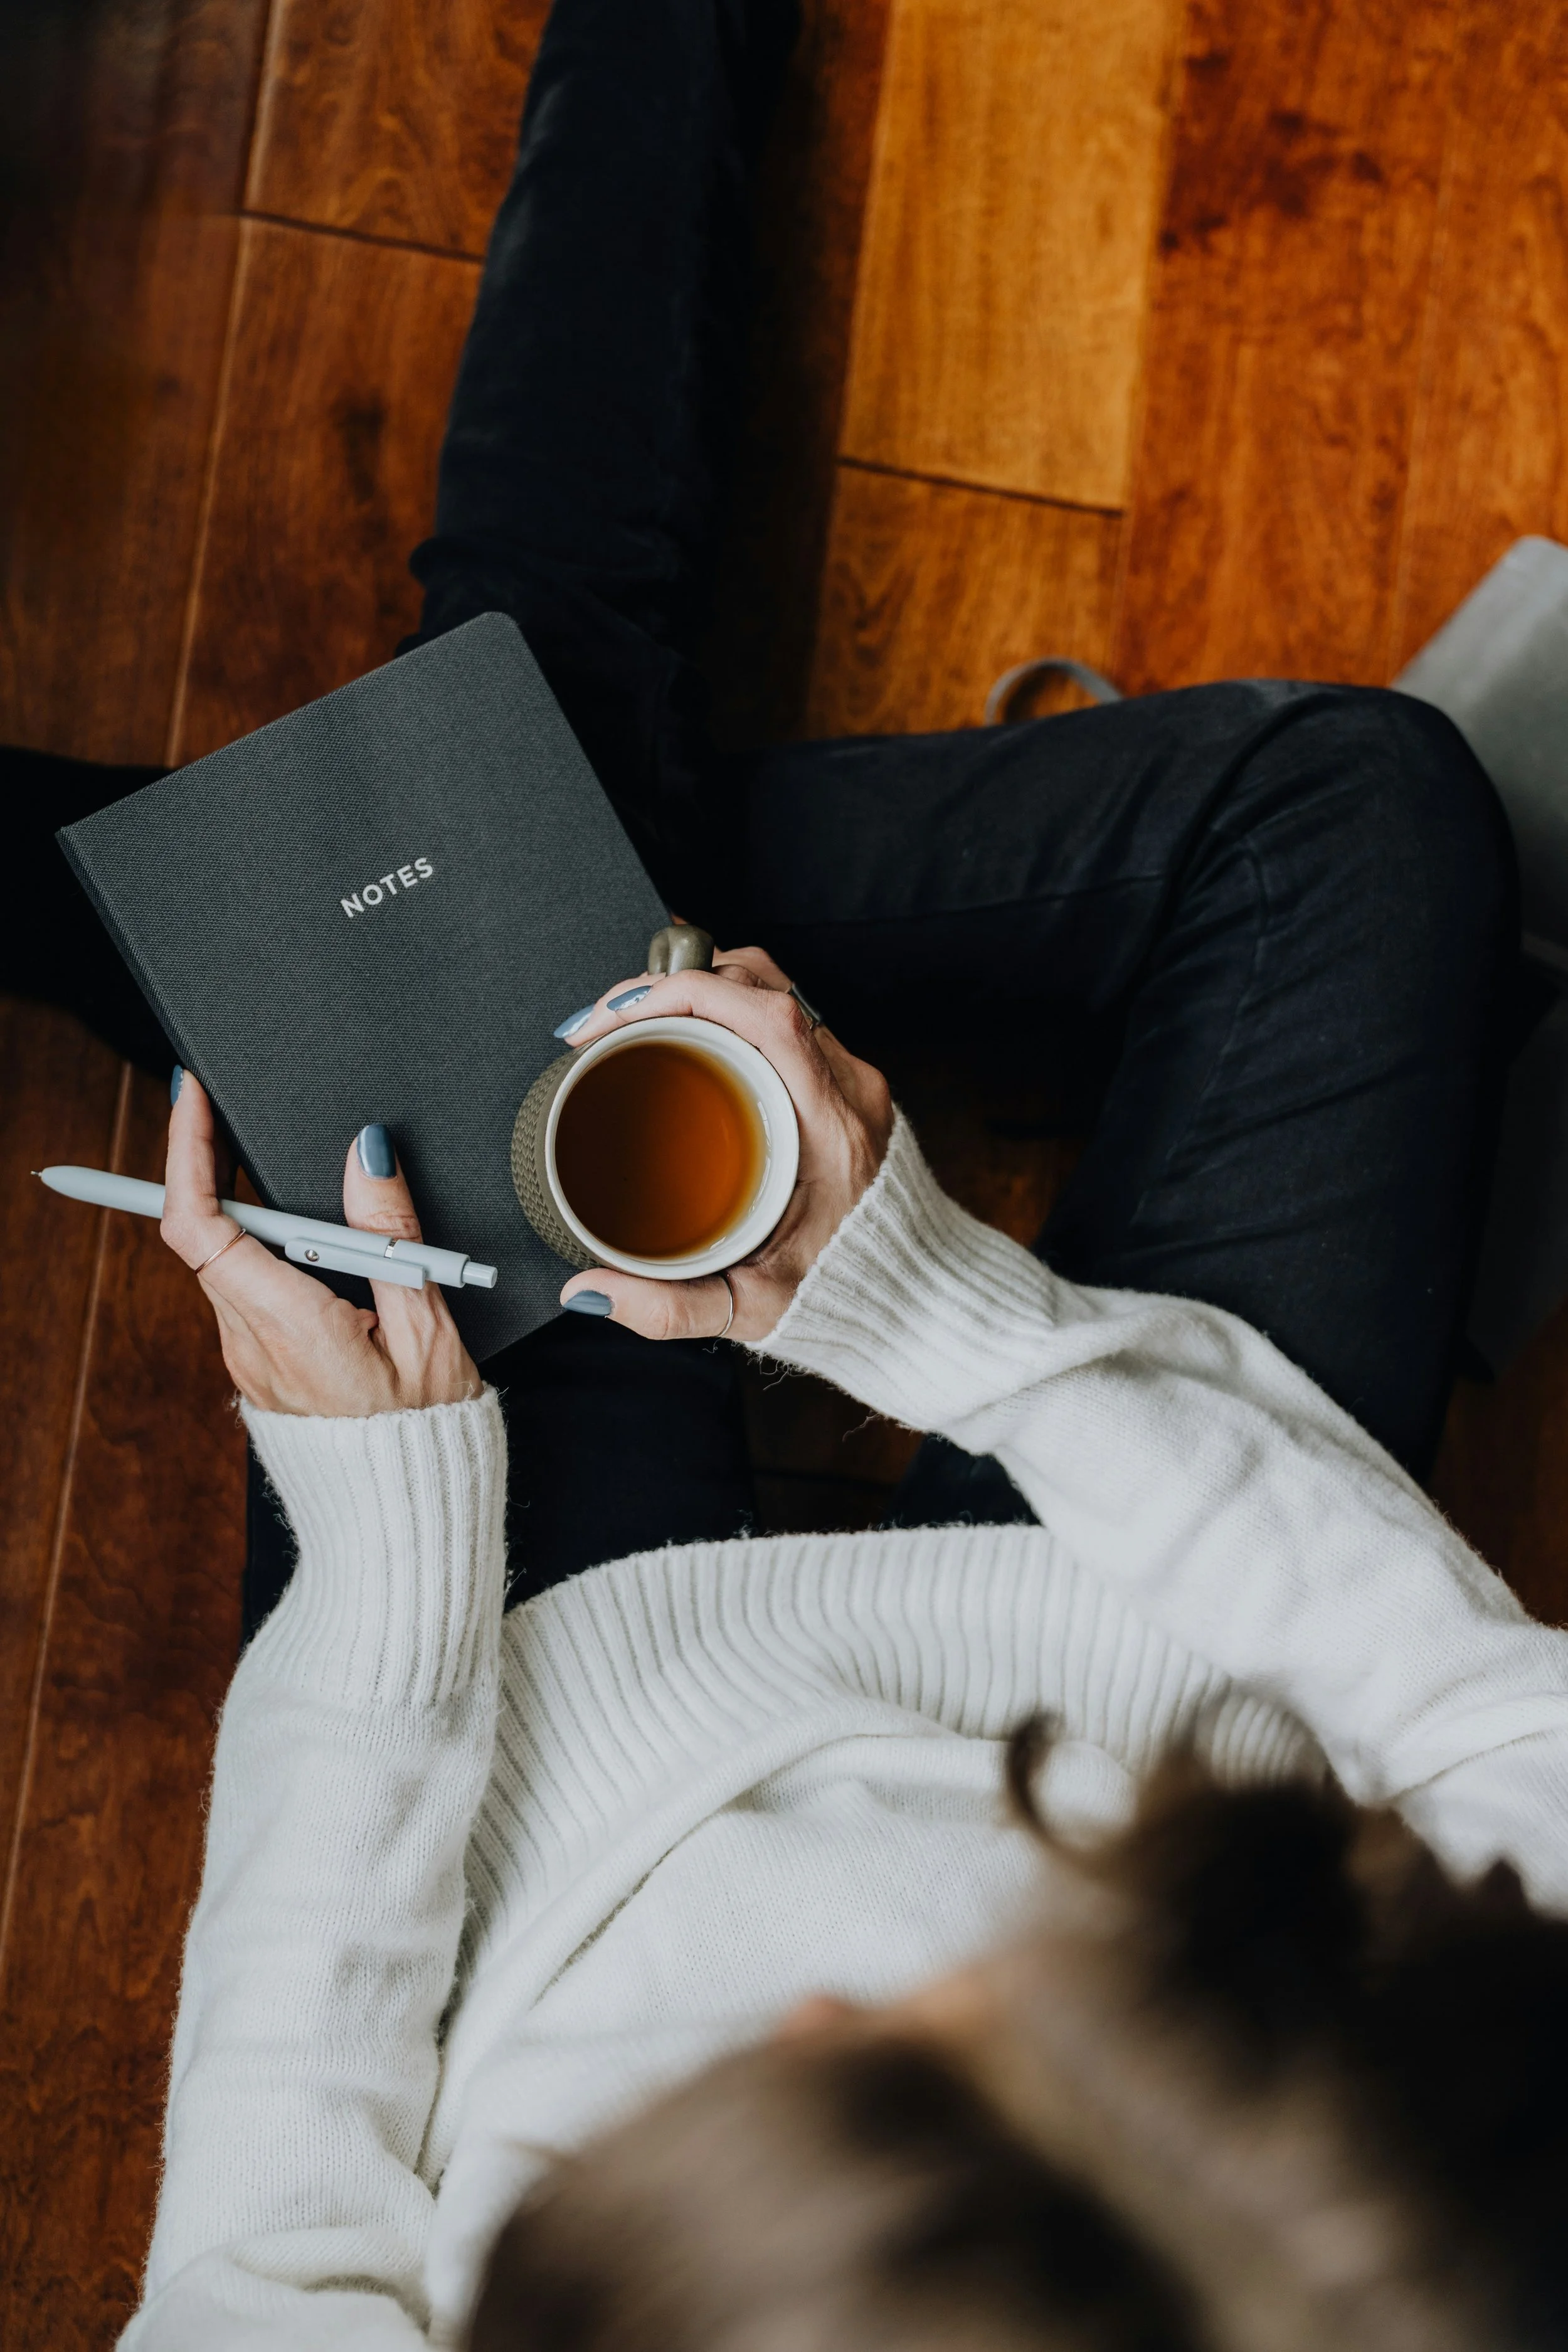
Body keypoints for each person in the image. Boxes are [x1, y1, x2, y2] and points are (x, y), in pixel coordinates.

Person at [6, 0, 1566, 2342]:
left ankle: (323, 895)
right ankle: (339, 901)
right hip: (1154, 1633)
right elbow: (1499, 1734)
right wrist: (930, 1304)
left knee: (532, 676)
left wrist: (398, 1544)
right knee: (1351, 808)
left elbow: (270, 2226)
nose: (849, 1986)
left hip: (531, 1702)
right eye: (1064, 2018)